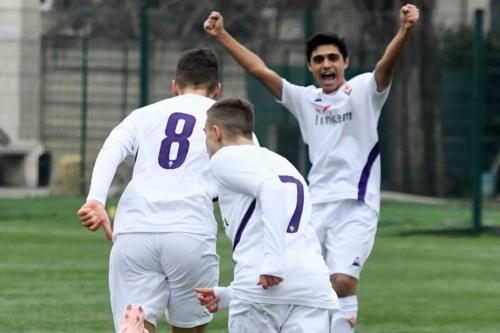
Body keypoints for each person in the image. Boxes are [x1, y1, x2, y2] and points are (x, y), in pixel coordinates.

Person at [204, 5, 420, 333]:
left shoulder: (363, 91)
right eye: (318, 60)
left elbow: (385, 66)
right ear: (310, 66)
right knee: (296, 279)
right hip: (315, 204)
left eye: (333, 58)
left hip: (356, 206)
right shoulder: (305, 99)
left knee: (343, 282)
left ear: (345, 62)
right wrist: (221, 35)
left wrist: (404, 30)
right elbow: (260, 70)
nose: (326, 65)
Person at [77, 48, 222, 333]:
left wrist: (96, 199)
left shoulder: (142, 115)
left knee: (142, 317)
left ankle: (139, 328)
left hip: (133, 231)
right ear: (217, 89)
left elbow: (111, 149)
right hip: (189, 231)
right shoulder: (225, 119)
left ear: (174, 86)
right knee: (189, 327)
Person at [196, 97, 339, 333]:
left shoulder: (225, 157)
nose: (206, 143)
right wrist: (230, 295)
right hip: (311, 288)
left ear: (215, 132)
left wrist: (273, 262)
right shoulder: (283, 163)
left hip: (262, 289)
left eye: (205, 134)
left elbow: (270, 188)